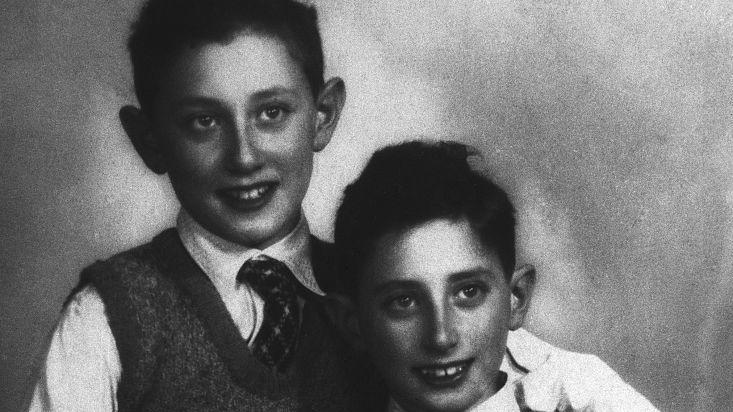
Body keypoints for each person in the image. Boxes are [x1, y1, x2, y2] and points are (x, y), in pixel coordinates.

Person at [26, 0, 380, 410]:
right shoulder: (110, 318)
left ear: (323, 115)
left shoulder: (376, 293)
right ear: (150, 141)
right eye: (204, 121)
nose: (244, 157)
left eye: (272, 112)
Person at [331, 140, 659, 411]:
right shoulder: (325, 395)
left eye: (468, 292)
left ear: (516, 297)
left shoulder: (584, 395)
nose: (441, 337)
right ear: (353, 322)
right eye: (404, 301)